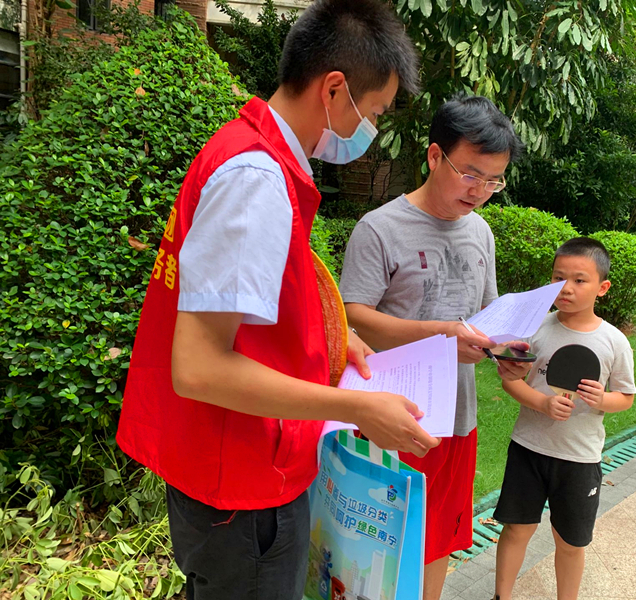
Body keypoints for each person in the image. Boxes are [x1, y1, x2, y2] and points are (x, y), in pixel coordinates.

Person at [115, 1, 440, 599]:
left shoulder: (252, 156)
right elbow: (200, 366)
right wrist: (360, 409)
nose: (371, 130)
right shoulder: (256, 179)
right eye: (373, 112)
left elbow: (257, 304)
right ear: (334, 90)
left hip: (235, 469)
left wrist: (334, 337)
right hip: (242, 486)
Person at [339, 94, 530, 600]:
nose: (480, 191)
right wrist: (442, 334)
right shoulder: (379, 229)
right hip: (391, 416)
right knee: (378, 545)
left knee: (439, 536)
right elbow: (352, 317)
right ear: (433, 156)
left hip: (457, 417)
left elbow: (486, 317)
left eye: (494, 181)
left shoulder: (480, 232)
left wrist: (507, 353)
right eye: (470, 174)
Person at [493, 237, 636, 600]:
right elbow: (511, 380)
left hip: (579, 458)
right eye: (559, 278)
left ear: (602, 287)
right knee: (516, 529)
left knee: (570, 542)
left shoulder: (614, 341)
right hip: (528, 448)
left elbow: (626, 397)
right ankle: (501, 596)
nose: (566, 288)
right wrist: (542, 403)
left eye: (579, 280)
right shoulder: (535, 329)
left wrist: (603, 398)